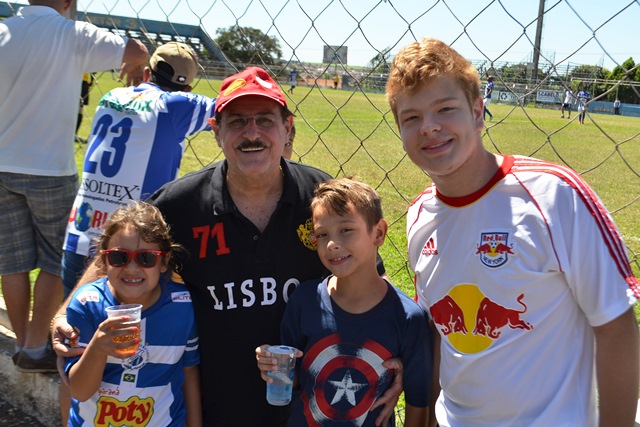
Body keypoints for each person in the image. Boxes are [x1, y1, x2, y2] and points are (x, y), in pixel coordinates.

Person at [53, 66, 399, 427]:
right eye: (236, 122)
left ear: (287, 128)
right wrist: (63, 313)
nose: (252, 133)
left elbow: (373, 277)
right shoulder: (180, 204)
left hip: (314, 399)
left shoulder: (322, 198)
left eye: (265, 120)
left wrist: (395, 352)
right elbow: (118, 252)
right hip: (217, 402)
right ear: (216, 132)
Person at [385, 37, 640, 426]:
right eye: (412, 118)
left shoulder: (555, 195)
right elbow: (441, 333)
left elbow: (615, 324)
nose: (430, 128)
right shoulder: (419, 216)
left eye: (445, 109)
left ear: (477, 112)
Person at [0, 0, 148, 374]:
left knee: (12, 263)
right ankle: (36, 347)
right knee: (54, 259)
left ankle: (23, 343)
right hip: (50, 167)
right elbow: (136, 50)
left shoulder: (4, 31)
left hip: (2, 163)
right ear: (68, 2)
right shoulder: (71, 33)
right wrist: (133, 67)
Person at [257, 177, 433, 427]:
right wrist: (273, 365)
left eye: (346, 230)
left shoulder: (407, 317)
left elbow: (419, 402)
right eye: (321, 234)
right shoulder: (305, 301)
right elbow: (295, 380)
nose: (331, 244)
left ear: (379, 233)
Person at [61, 41, 216, 299]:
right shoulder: (175, 105)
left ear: (146, 73)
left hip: (82, 230)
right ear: (187, 88)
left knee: (74, 325)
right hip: (131, 249)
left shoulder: (111, 97)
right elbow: (231, 107)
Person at [65, 201, 201, 426]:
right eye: (119, 257)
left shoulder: (183, 305)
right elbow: (79, 391)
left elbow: (189, 372)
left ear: (164, 261)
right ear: (103, 260)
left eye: (146, 258)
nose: (131, 268)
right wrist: (97, 348)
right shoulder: (87, 303)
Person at [75, 73, 94, 142]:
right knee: (79, 109)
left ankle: (74, 134)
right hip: (80, 80)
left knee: (80, 109)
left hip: (83, 80)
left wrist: (91, 80)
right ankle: (73, 134)